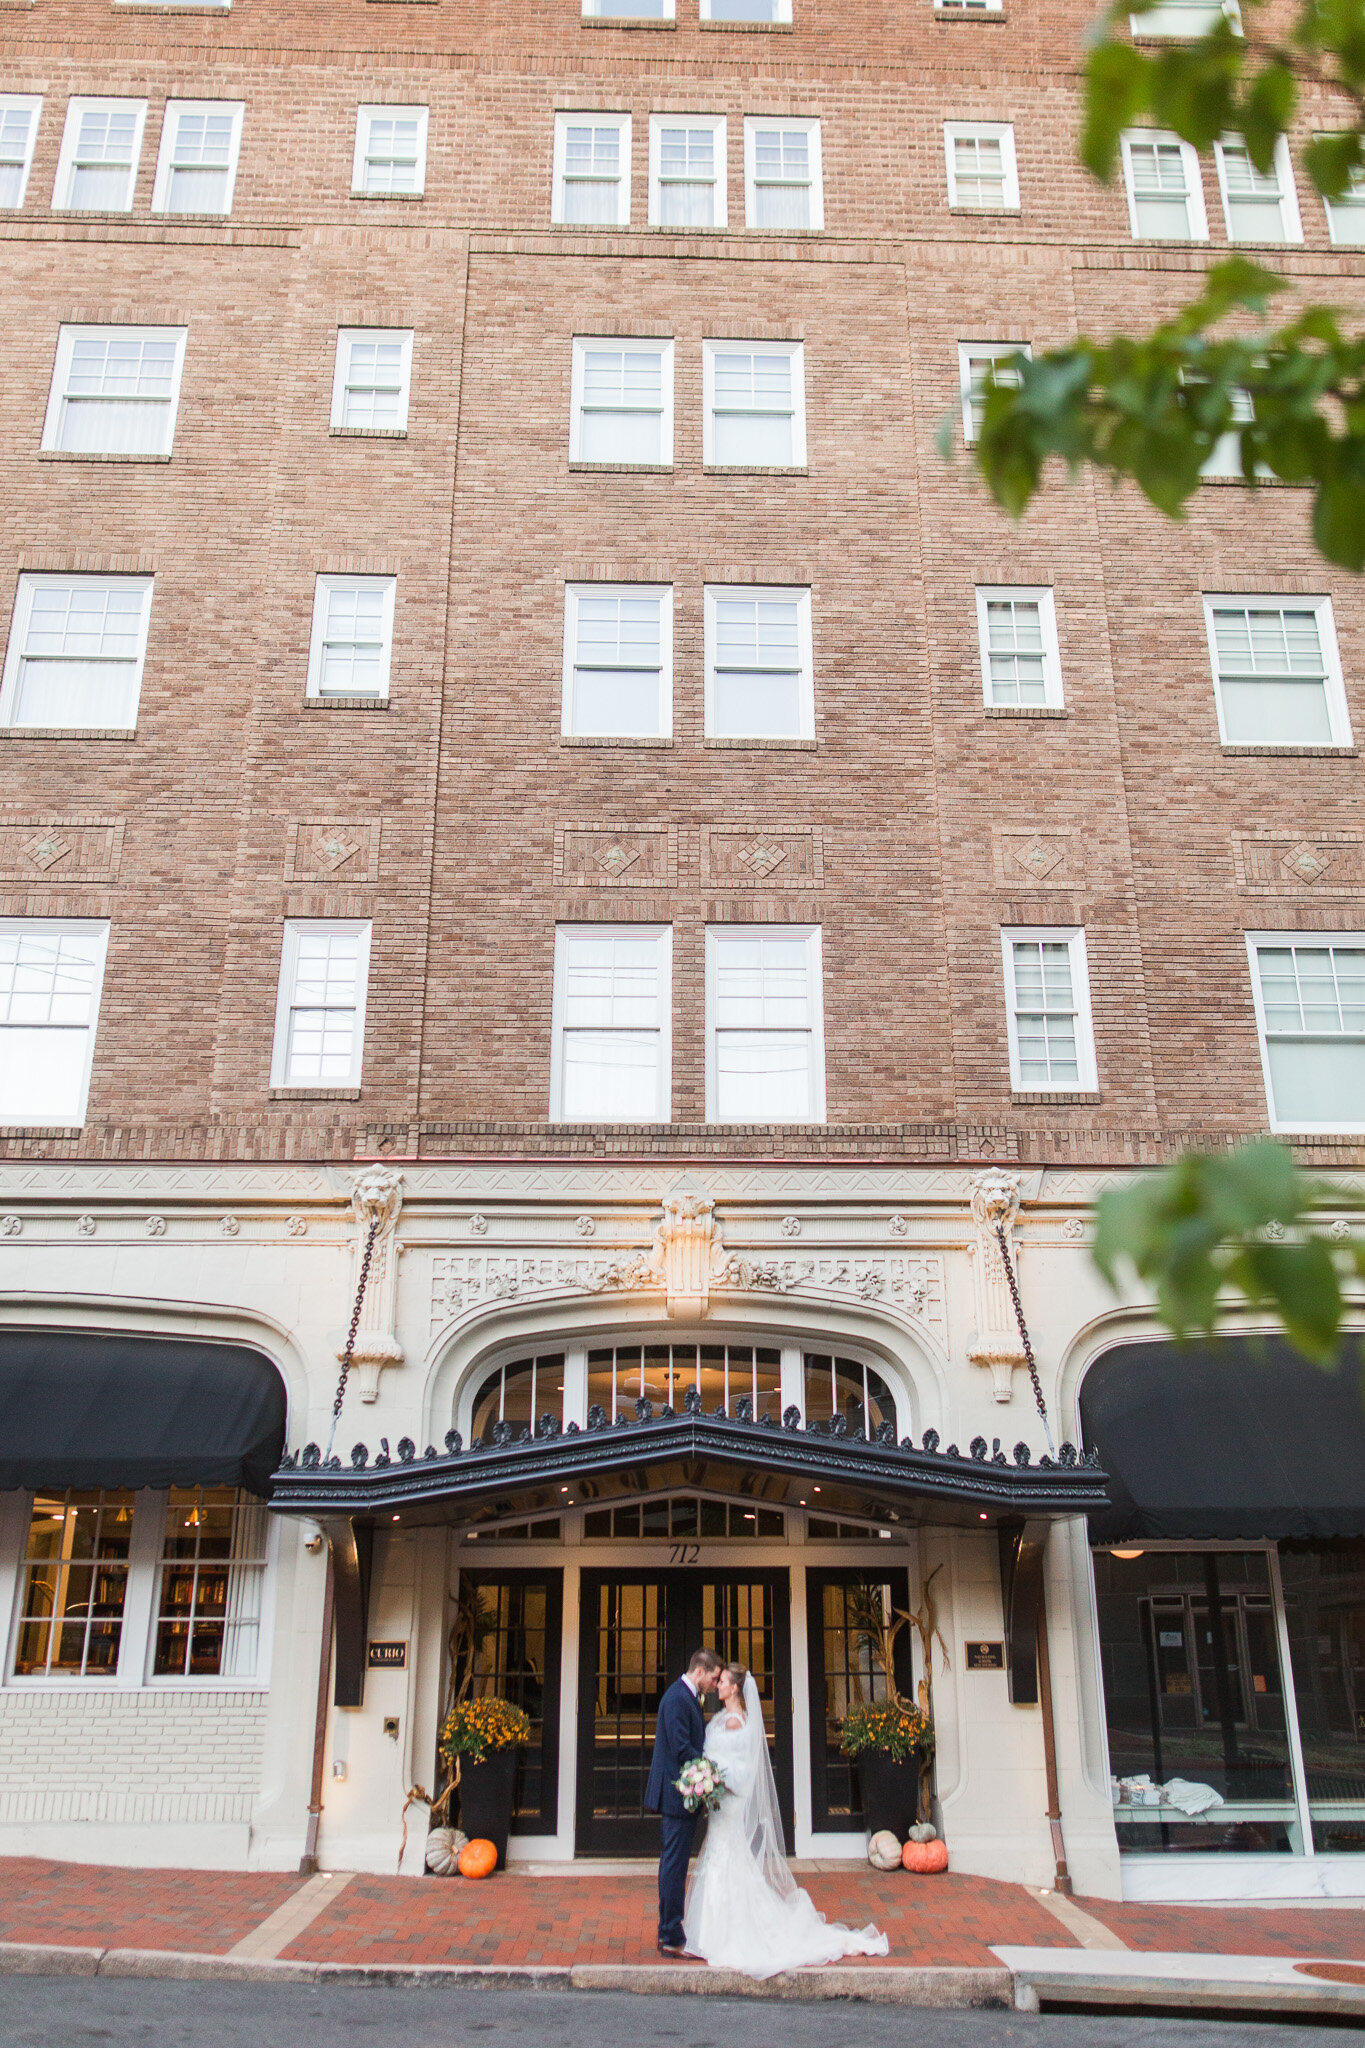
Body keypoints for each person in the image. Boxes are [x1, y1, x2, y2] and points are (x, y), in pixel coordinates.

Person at [683, 1663, 890, 1978]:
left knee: (725, 1856)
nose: (718, 1684)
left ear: (735, 1688)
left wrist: (712, 1779)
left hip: (729, 1799)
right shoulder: (723, 1719)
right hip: (720, 1800)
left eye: (723, 1681)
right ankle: (713, 1932)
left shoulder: (737, 1722)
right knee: (720, 1855)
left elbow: (739, 1769)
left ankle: (730, 1934)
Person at [645, 1645, 721, 1955]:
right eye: (713, 1678)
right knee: (674, 1865)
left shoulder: (685, 1696)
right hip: (677, 1796)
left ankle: (670, 1930)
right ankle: (670, 1935)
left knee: (674, 1863)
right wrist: (712, 1768)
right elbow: (680, 1749)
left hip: (681, 1794)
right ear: (699, 1671)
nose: (714, 1685)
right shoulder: (678, 1698)